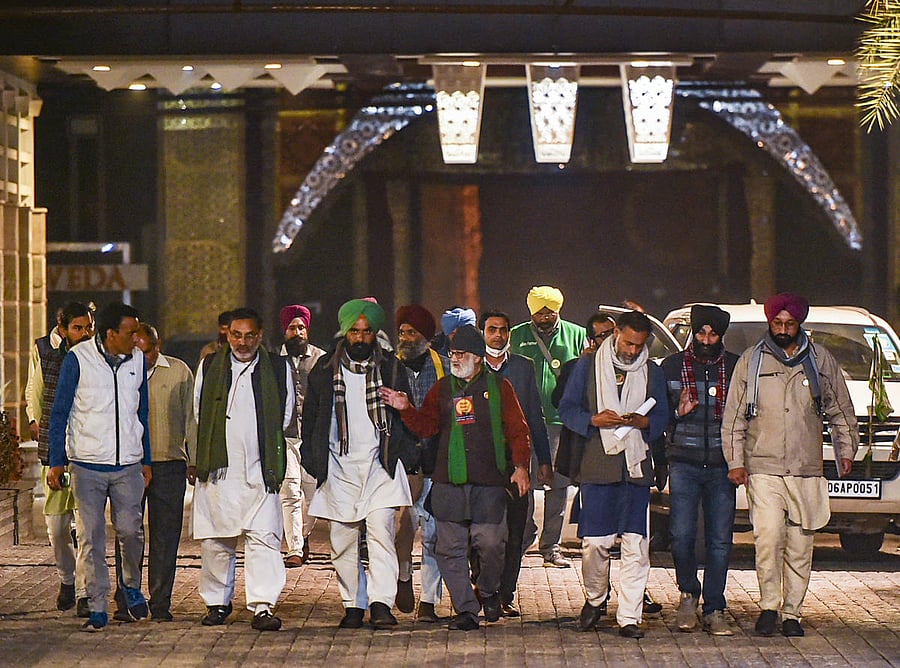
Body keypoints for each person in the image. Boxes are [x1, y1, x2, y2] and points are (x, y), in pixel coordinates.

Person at [722, 293, 858, 638]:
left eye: (789, 324)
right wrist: (735, 461)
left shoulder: (820, 361)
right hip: (764, 467)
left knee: (800, 545)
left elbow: (840, 408)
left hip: (806, 469)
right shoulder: (751, 361)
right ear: (770, 323)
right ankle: (769, 606)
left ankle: (792, 614)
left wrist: (847, 450)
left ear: (800, 324)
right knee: (768, 539)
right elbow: (734, 416)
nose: (783, 329)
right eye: (777, 323)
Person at [381, 325, 532, 631]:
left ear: (478, 357)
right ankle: (466, 609)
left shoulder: (499, 387)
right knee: (449, 549)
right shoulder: (443, 388)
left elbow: (518, 430)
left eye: (461, 354)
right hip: (448, 483)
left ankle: (488, 591)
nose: (455, 358)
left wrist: (521, 466)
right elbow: (426, 427)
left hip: (489, 484)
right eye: (452, 353)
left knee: (490, 544)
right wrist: (406, 408)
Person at [302, 299, 417, 630]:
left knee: (381, 535)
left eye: (367, 332)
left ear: (375, 334)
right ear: (345, 332)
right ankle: (354, 604)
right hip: (338, 466)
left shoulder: (392, 368)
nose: (361, 338)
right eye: (355, 331)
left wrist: (405, 457)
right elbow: (310, 420)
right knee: (342, 541)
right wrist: (313, 460)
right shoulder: (324, 370)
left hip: (380, 464)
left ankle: (381, 604)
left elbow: (406, 414)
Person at [558, 310, 667, 639]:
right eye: (628, 342)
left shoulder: (651, 370)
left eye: (639, 345)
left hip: (635, 470)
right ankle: (595, 598)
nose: (633, 351)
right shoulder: (588, 366)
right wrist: (594, 420)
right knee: (595, 544)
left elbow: (662, 412)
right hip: (598, 465)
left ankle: (630, 616)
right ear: (616, 333)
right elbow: (567, 408)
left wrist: (645, 422)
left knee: (636, 545)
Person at [47, 302, 151, 632]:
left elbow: (142, 413)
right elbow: (59, 412)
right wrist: (56, 460)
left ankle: (131, 587)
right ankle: (96, 604)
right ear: (111, 335)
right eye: (131, 332)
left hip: (128, 465)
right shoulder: (78, 360)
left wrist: (145, 458)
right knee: (91, 537)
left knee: (131, 531)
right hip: (87, 465)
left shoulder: (136, 359)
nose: (137, 339)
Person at [191, 307, 291, 631]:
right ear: (227, 335)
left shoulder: (277, 367)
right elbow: (198, 412)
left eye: (249, 336)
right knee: (217, 542)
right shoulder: (209, 366)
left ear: (260, 336)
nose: (242, 342)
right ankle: (217, 604)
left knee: (264, 539)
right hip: (221, 473)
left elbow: (285, 415)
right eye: (236, 335)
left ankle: (262, 606)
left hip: (261, 471)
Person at [660, 305, 739, 635]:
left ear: (722, 335)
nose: (707, 340)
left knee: (720, 541)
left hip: (722, 466)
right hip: (684, 463)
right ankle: (688, 593)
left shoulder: (736, 367)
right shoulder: (672, 366)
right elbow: (656, 418)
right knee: (681, 537)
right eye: (701, 333)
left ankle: (715, 606)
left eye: (713, 334)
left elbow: (746, 416)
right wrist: (677, 413)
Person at [479, 310, 552, 617]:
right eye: (492, 329)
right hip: (480, 463)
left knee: (517, 529)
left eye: (503, 329)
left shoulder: (523, 367)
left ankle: (505, 594)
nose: (498, 335)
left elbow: (535, 415)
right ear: (483, 332)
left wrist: (544, 460)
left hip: (517, 462)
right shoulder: (469, 366)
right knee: (482, 532)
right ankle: (483, 588)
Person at [509, 286, 585, 568]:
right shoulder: (516, 335)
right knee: (524, 483)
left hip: (559, 422)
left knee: (558, 486)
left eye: (549, 311)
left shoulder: (576, 334)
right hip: (523, 421)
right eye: (539, 312)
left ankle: (551, 545)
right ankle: (523, 535)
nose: (545, 316)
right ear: (531, 312)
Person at [28, 301, 93, 614]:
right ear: (63, 327)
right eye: (78, 327)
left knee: (85, 527)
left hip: (87, 454)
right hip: (55, 454)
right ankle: (67, 579)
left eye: (87, 327)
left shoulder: (96, 355)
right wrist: (36, 423)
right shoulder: (44, 350)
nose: (84, 333)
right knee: (56, 527)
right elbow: (35, 393)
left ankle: (83, 592)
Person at [133, 323, 195, 622]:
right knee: (129, 535)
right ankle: (129, 599)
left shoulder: (178, 371)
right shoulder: (121, 373)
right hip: (130, 465)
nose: (140, 357)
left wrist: (193, 458)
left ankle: (160, 602)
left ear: (157, 347)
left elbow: (191, 418)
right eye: (136, 350)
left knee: (165, 537)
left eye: (146, 351)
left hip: (169, 464)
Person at [392, 304, 447, 622]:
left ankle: (429, 599)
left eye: (413, 332)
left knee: (434, 531)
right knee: (403, 526)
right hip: (400, 461)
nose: (406, 337)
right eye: (402, 332)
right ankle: (402, 577)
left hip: (434, 458)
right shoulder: (389, 367)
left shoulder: (445, 369)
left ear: (426, 338)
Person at [278, 304, 325, 568]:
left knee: (315, 496)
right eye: (292, 328)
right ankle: (294, 548)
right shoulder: (274, 360)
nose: (297, 332)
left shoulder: (321, 359)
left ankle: (303, 534)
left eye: (301, 327)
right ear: (284, 331)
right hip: (285, 436)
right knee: (290, 491)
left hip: (314, 437)